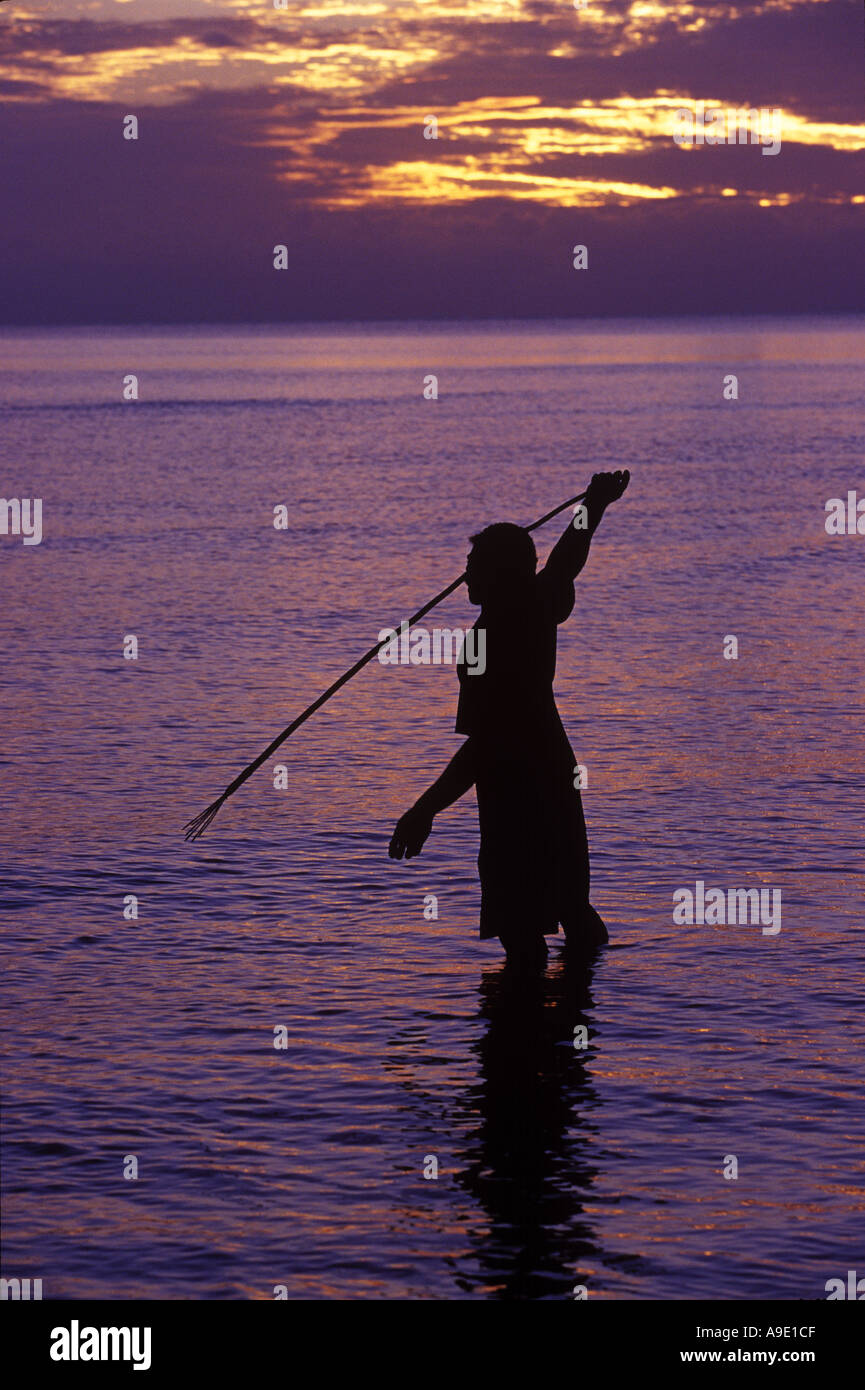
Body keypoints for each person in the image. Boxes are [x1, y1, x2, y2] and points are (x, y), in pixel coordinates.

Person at [388, 469, 630, 967]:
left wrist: (425, 809)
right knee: (568, 908)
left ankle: (533, 1028)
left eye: (474, 566)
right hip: (549, 778)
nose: (466, 576)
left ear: (500, 574)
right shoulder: (532, 609)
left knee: (524, 931)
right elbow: (564, 565)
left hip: (515, 792)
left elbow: (484, 748)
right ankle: (581, 1015)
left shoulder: (494, 634)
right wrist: (594, 505)